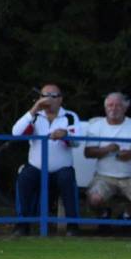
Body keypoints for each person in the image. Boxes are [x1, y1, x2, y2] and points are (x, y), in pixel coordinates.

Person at [11, 84, 80, 236]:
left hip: (61, 169)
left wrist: (65, 135)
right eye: (44, 96)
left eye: (52, 96)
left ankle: (73, 226)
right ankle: (22, 225)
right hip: (36, 168)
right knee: (24, 178)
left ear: (60, 99)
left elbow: (76, 141)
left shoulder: (70, 116)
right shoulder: (34, 116)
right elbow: (16, 133)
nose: (47, 99)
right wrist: (34, 108)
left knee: (67, 178)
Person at [84, 92, 131, 219]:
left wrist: (130, 154)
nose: (113, 108)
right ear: (105, 108)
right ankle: (105, 215)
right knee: (94, 200)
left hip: (130, 177)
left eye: (118, 105)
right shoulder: (96, 126)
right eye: (110, 105)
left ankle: (125, 215)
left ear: (125, 108)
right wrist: (106, 149)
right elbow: (88, 152)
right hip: (103, 177)